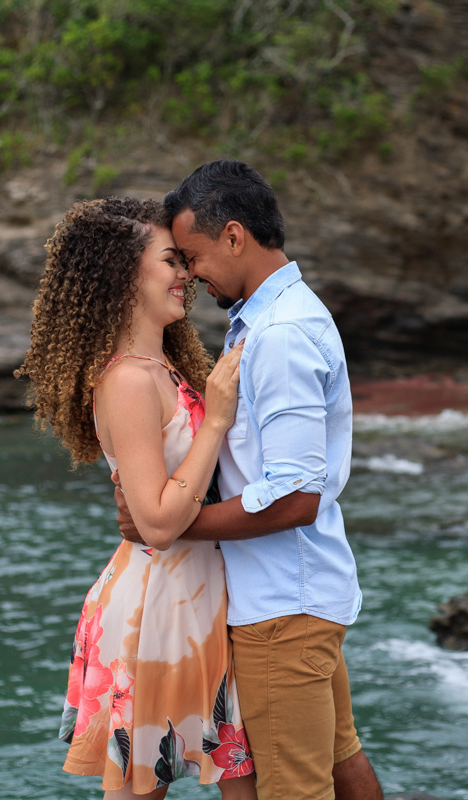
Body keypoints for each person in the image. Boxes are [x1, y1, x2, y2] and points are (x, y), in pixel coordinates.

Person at [113, 160, 384, 800]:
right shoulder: (272, 320)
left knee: (293, 790)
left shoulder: (281, 335)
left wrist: (173, 526)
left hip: (281, 606)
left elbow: (295, 496)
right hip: (301, 590)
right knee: (343, 763)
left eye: (195, 256)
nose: (191, 274)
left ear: (235, 237)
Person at [15, 196, 258, 800]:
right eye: (172, 260)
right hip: (155, 607)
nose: (187, 274)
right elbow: (155, 522)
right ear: (124, 274)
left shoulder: (164, 369)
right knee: (139, 791)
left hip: (198, 599)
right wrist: (217, 420)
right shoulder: (126, 380)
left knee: (240, 777)